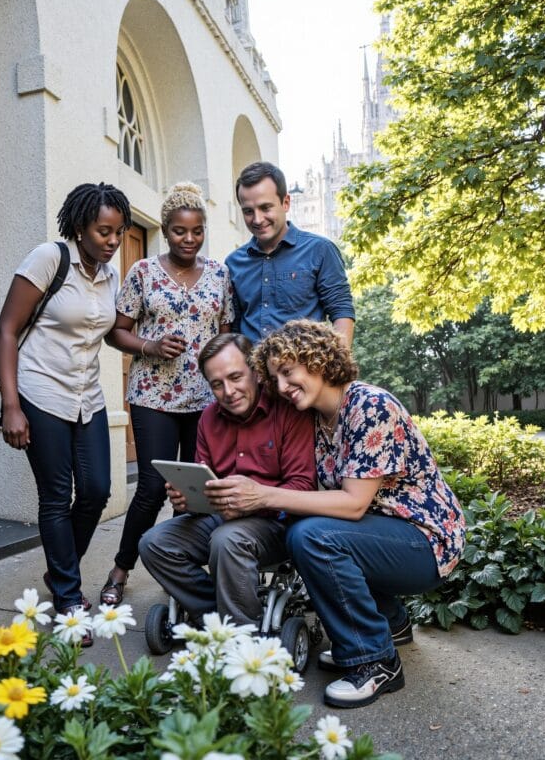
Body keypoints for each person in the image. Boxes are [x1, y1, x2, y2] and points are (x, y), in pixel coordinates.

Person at [205, 319, 465, 708]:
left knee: (311, 536)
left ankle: (375, 661)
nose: (281, 387)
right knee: (311, 530)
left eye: (288, 372)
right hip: (382, 535)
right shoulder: (318, 418)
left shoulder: (370, 406)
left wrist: (262, 496)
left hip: (423, 541)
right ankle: (390, 624)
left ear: (319, 361)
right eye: (274, 378)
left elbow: (353, 504)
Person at [0, 182, 132, 644]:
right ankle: (69, 601)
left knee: (96, 489)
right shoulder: (49, 259)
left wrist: (148, 344)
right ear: (80, 227)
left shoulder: (110, 275)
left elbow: (107, 332)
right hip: (39, 390)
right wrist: (10, 405)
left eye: (119, 232)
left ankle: (60, 574)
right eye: (104, 231)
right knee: (56, 495)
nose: (113, 241)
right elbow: (7, 330)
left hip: (86, 394)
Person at [102, 183, 234, 606]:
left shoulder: (219, 274)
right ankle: (120, 569)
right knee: (152, 488)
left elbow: (226, 336)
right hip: (153, 395)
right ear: (165, 229)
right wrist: (150, 346)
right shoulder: (142, 272)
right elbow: (115, 332)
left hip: (205, 401)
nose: (189, 240)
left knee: (194, 491)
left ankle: (179, 573)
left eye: (196, 232)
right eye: (180, 232)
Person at [138, 333, 316, 628]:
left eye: (236, 377)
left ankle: (242, 642)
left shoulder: (287, 412)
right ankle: (215, 617)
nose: (228, 391)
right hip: (221, 517)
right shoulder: (209, 418)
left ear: (257, 372)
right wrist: (187, 498)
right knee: (154, 543)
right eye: (217, 384)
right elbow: (205, 484)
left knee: (227, 540)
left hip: (275, 523)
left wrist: (256, 498)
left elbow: (303, 487)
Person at [226, 161, 355, 346]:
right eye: (248, 211)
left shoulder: (320, 250)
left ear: (285, 202)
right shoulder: (233, 263)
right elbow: (234, 329)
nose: (257, 219)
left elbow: (341, 312)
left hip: (305, 371)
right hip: (252, 373)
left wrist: (336, 370)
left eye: (265, 208)